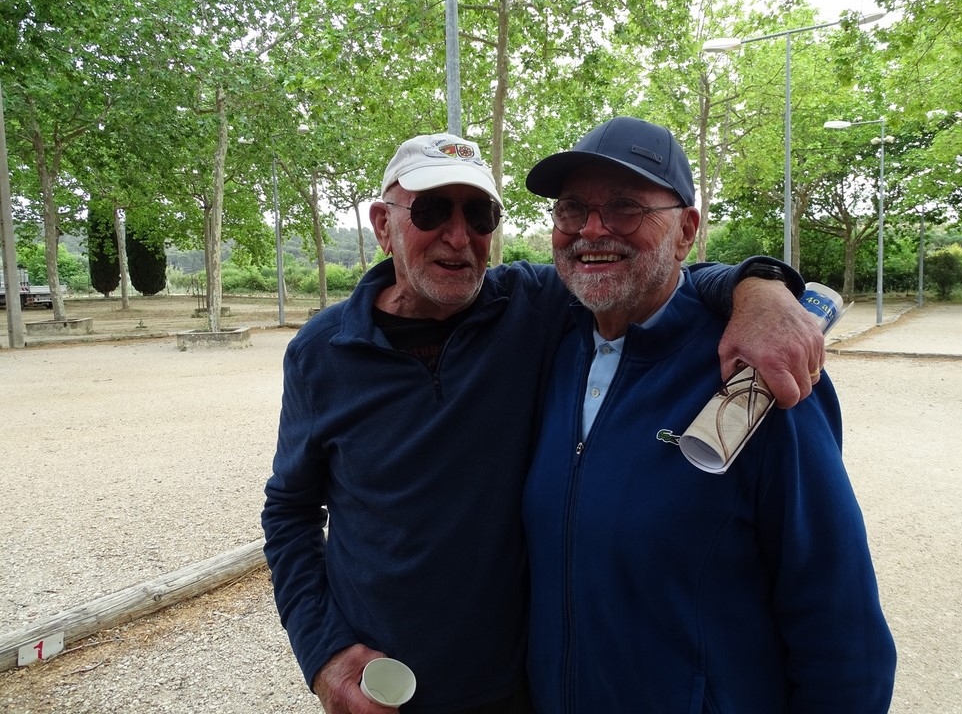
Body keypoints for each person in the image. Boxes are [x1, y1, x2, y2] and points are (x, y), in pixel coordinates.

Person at [262, 131, 826, 714]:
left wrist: (760, 289)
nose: (458, 236)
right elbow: (289, 512)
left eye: (479, 215)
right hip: (381, 689)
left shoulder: (529, 305)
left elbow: (653, 272)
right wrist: (323, 653)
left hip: (517, 690)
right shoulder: (322, 352)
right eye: (430, 211)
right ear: (383, 224)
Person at [521, 116, 897, 713]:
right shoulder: (549, 346)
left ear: (686, 231)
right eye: (572, 209)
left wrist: (760, 287)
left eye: (625, 207)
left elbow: (841, 627)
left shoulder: (758, 369)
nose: (592, 230)